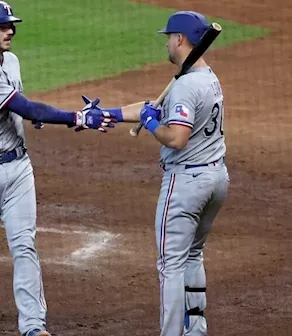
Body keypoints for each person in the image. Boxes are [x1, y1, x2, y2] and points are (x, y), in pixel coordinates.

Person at [0, 2, 118, 336]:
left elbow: (20, 106)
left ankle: (33, 326)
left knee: (25, 245)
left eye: (11, 25)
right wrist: (74, 117)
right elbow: (25, 105)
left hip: (18, 166)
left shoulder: (12, 61)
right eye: (2, 26)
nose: (10, 31)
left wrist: (34, 119)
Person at [91, 10, 230, 336]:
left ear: (180, 39)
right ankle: (195, 330)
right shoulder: (207, 77)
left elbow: (176, 138)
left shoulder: (184, 87)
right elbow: (151, 106)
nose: (167, 42)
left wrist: (152, 124)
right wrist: (106, 113)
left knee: (170, 266)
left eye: (169, 37)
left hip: (186, 185)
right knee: (193, 255)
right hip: (216, 180)